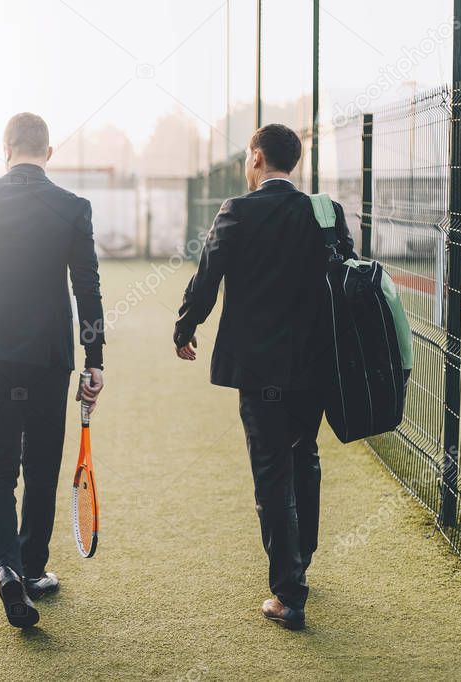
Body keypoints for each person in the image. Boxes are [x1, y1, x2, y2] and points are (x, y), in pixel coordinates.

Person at [172, 124, 355, 630]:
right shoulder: (325, 213)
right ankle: (301, 565)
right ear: (292, 162)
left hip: (260, 369)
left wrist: (186, 325)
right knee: (305, 459)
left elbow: (208, 274)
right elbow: (346, 275)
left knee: (272, 474)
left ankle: (288, 594)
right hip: (315, 366)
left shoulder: (239, 210)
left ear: (256, 158)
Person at [0, 112, 105, 628]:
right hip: (47, 358)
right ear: (48, 153)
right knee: (39, 468)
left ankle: (7, 570)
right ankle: (31, 569)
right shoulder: (72, 207)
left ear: (5, 149)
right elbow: (87, 288)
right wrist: (94, 360)